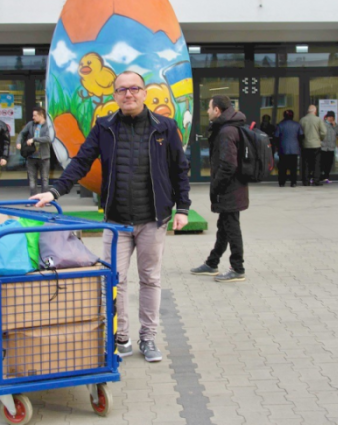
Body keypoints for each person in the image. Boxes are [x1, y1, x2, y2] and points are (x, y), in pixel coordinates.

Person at [31, 70, 190, 362]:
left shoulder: (165, 127)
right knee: (113, 278)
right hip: (116, 222)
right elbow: (80, 162)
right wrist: (54, 191)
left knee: (150, 279)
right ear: (114, 95)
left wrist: (182, 208)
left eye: (134, 89)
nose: (128, 94)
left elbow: (179, 168)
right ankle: (121, 335)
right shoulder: (104, 127)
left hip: (152, 220)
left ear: (143, 92)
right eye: (122, 90)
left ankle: (149, 337)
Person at [190, 93, 250, 285]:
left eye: (209, 107)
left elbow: (228, 165)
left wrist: (216, 186)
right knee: (224, 226)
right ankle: (212, 262)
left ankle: (237, 268)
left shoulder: (226, 132)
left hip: (229, 188)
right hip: (234, 187)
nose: (207, 111)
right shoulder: (232, 127)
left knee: (232, 228)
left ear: (217, 110)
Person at [16, 107, 51, 196]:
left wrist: (34, 139)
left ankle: (44, 199)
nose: (33, 117)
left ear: (41, 115)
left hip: (44, 157)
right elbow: (21, 133)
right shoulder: (30, 124)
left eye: (35, 115)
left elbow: (48, 138)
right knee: (32, 179)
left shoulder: (48, 126)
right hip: (31, 156)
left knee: (45, 179)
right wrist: (18, 142)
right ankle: (33, 198)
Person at [274, 110, 303, 188]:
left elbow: (276, 136)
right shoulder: (297, 125)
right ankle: (293, 182)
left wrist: (277, 146)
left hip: (283, 148)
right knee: (293, 167)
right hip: (294, 149)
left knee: (282, 167)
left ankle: (282, 182)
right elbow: (301, 136)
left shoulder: (280, 125)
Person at [300, 105, 326, 186]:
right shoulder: (318, 120)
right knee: (316, 163)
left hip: (305, 144)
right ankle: (316, 180)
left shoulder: (302, 120)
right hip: (316, 145)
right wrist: (320, 139)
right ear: (315, 111)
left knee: (306, 163)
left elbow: (300, 133)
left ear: (308, 111)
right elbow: (324, 132)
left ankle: (306, 181)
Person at [318, 111, 338, 184]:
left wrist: (335, 126)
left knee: (329, 163)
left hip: (331, 147)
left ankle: (326, 177)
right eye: (330, 117)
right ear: (326, 117)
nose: (331, 119)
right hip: (324, 147)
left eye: (332, 117)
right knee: (322, 163)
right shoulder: (322, 124)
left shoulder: (334, 125)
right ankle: (320, 176)